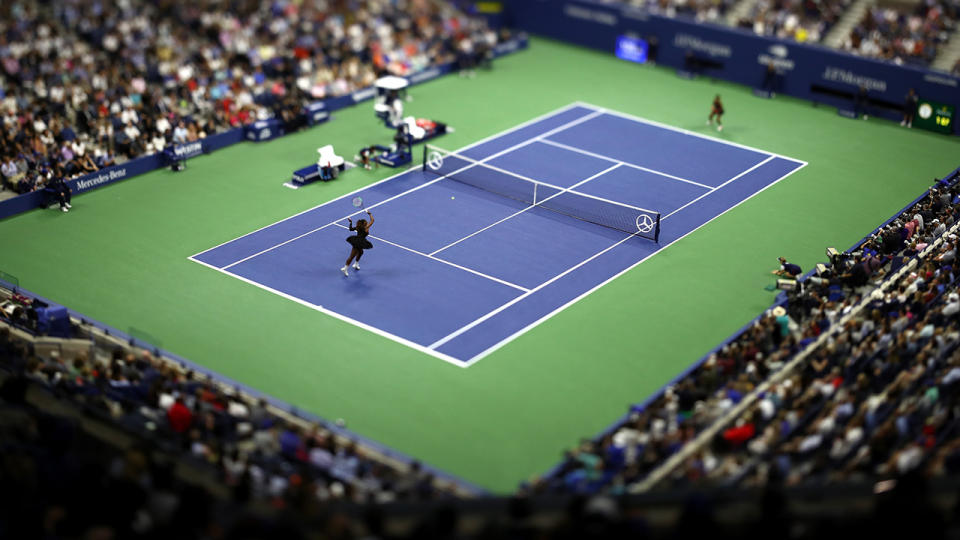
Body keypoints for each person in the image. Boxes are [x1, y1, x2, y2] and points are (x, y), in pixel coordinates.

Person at [341, 210, 374, 276]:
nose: (366, 222)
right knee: (352, 256)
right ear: (364, 224)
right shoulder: (366, 228)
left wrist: (350, 222)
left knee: (361, 252)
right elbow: (372, 220)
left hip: (360, 241)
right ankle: (345, 268)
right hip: (358, 242)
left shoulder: (358, 227)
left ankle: (356, 264)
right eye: (365, 222)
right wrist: (369, 214)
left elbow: (350, 229)